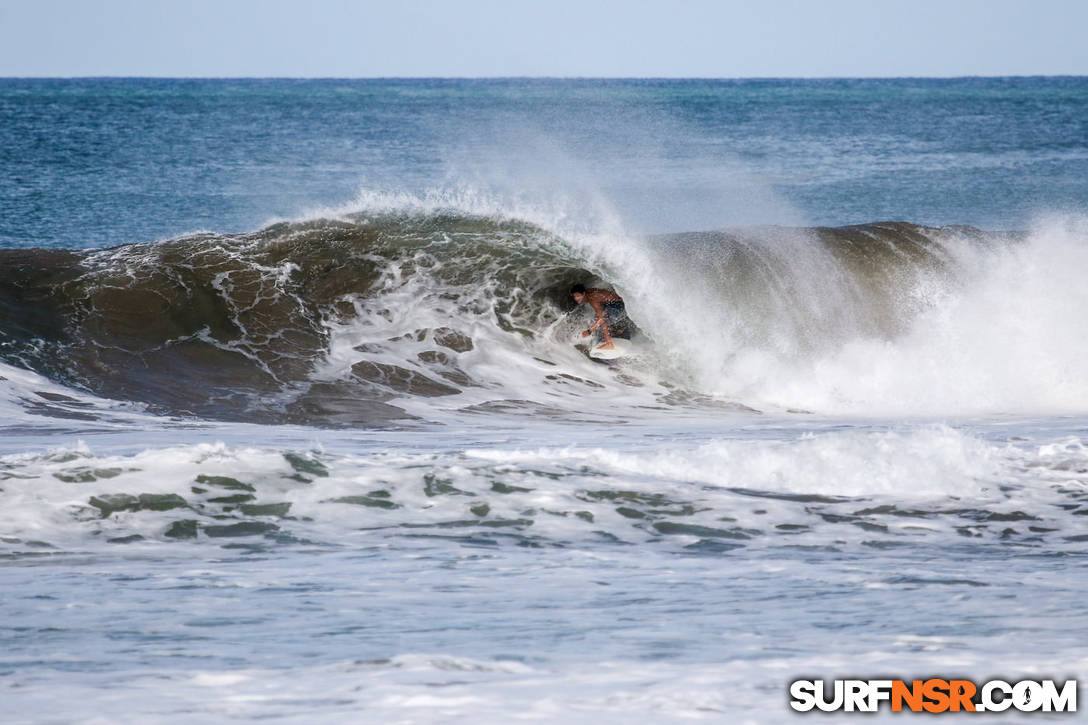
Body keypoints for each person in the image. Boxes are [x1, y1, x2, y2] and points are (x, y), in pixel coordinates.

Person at [570, 284, 629, 350]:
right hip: (611, 303)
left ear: (583, 293)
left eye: (578, 296)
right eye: (574, 296)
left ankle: (609, 343)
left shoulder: (592, 298)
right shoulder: (589, 293)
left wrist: (589, 331)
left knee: (602, 320)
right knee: (598, 319)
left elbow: (602, 317)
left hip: (618, 305)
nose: (576, 298)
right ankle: (616, 331)